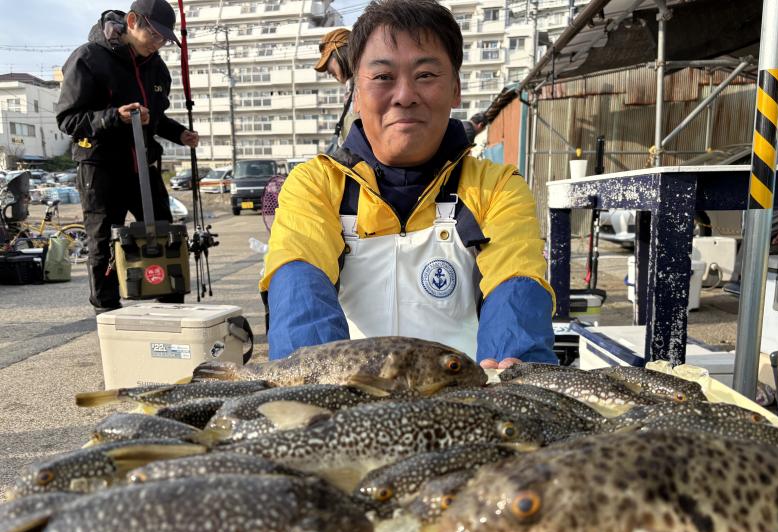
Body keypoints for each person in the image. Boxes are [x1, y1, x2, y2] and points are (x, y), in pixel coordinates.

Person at [260, 0, 556, 369]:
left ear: (455, 89)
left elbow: (516, 284)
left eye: (426, 75)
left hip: (465, 398)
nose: (404, 95)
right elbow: (299, 284)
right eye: (383, 77)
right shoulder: (316, 184)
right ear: (356, 92)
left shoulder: (496, 187)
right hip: (346, 400)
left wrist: (514, 370)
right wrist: (310, 382)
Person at [56, 0, 199, 314]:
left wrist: (179, 134)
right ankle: (108, 312)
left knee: (164, 230)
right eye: (156, 35)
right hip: (100, 166)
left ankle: (170, 303)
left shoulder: (156, 67)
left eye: (165, 39)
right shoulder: (89, 58)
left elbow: (156, 117)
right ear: (132, 22)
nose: (159, 43)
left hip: (143, 164)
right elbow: (67, 119)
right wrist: (112, 117)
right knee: (104, 240)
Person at [315, 28, 356, 151]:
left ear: (341, 52)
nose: (327, 70)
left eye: (328, 60)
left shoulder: (365, 86)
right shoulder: (353, 88)